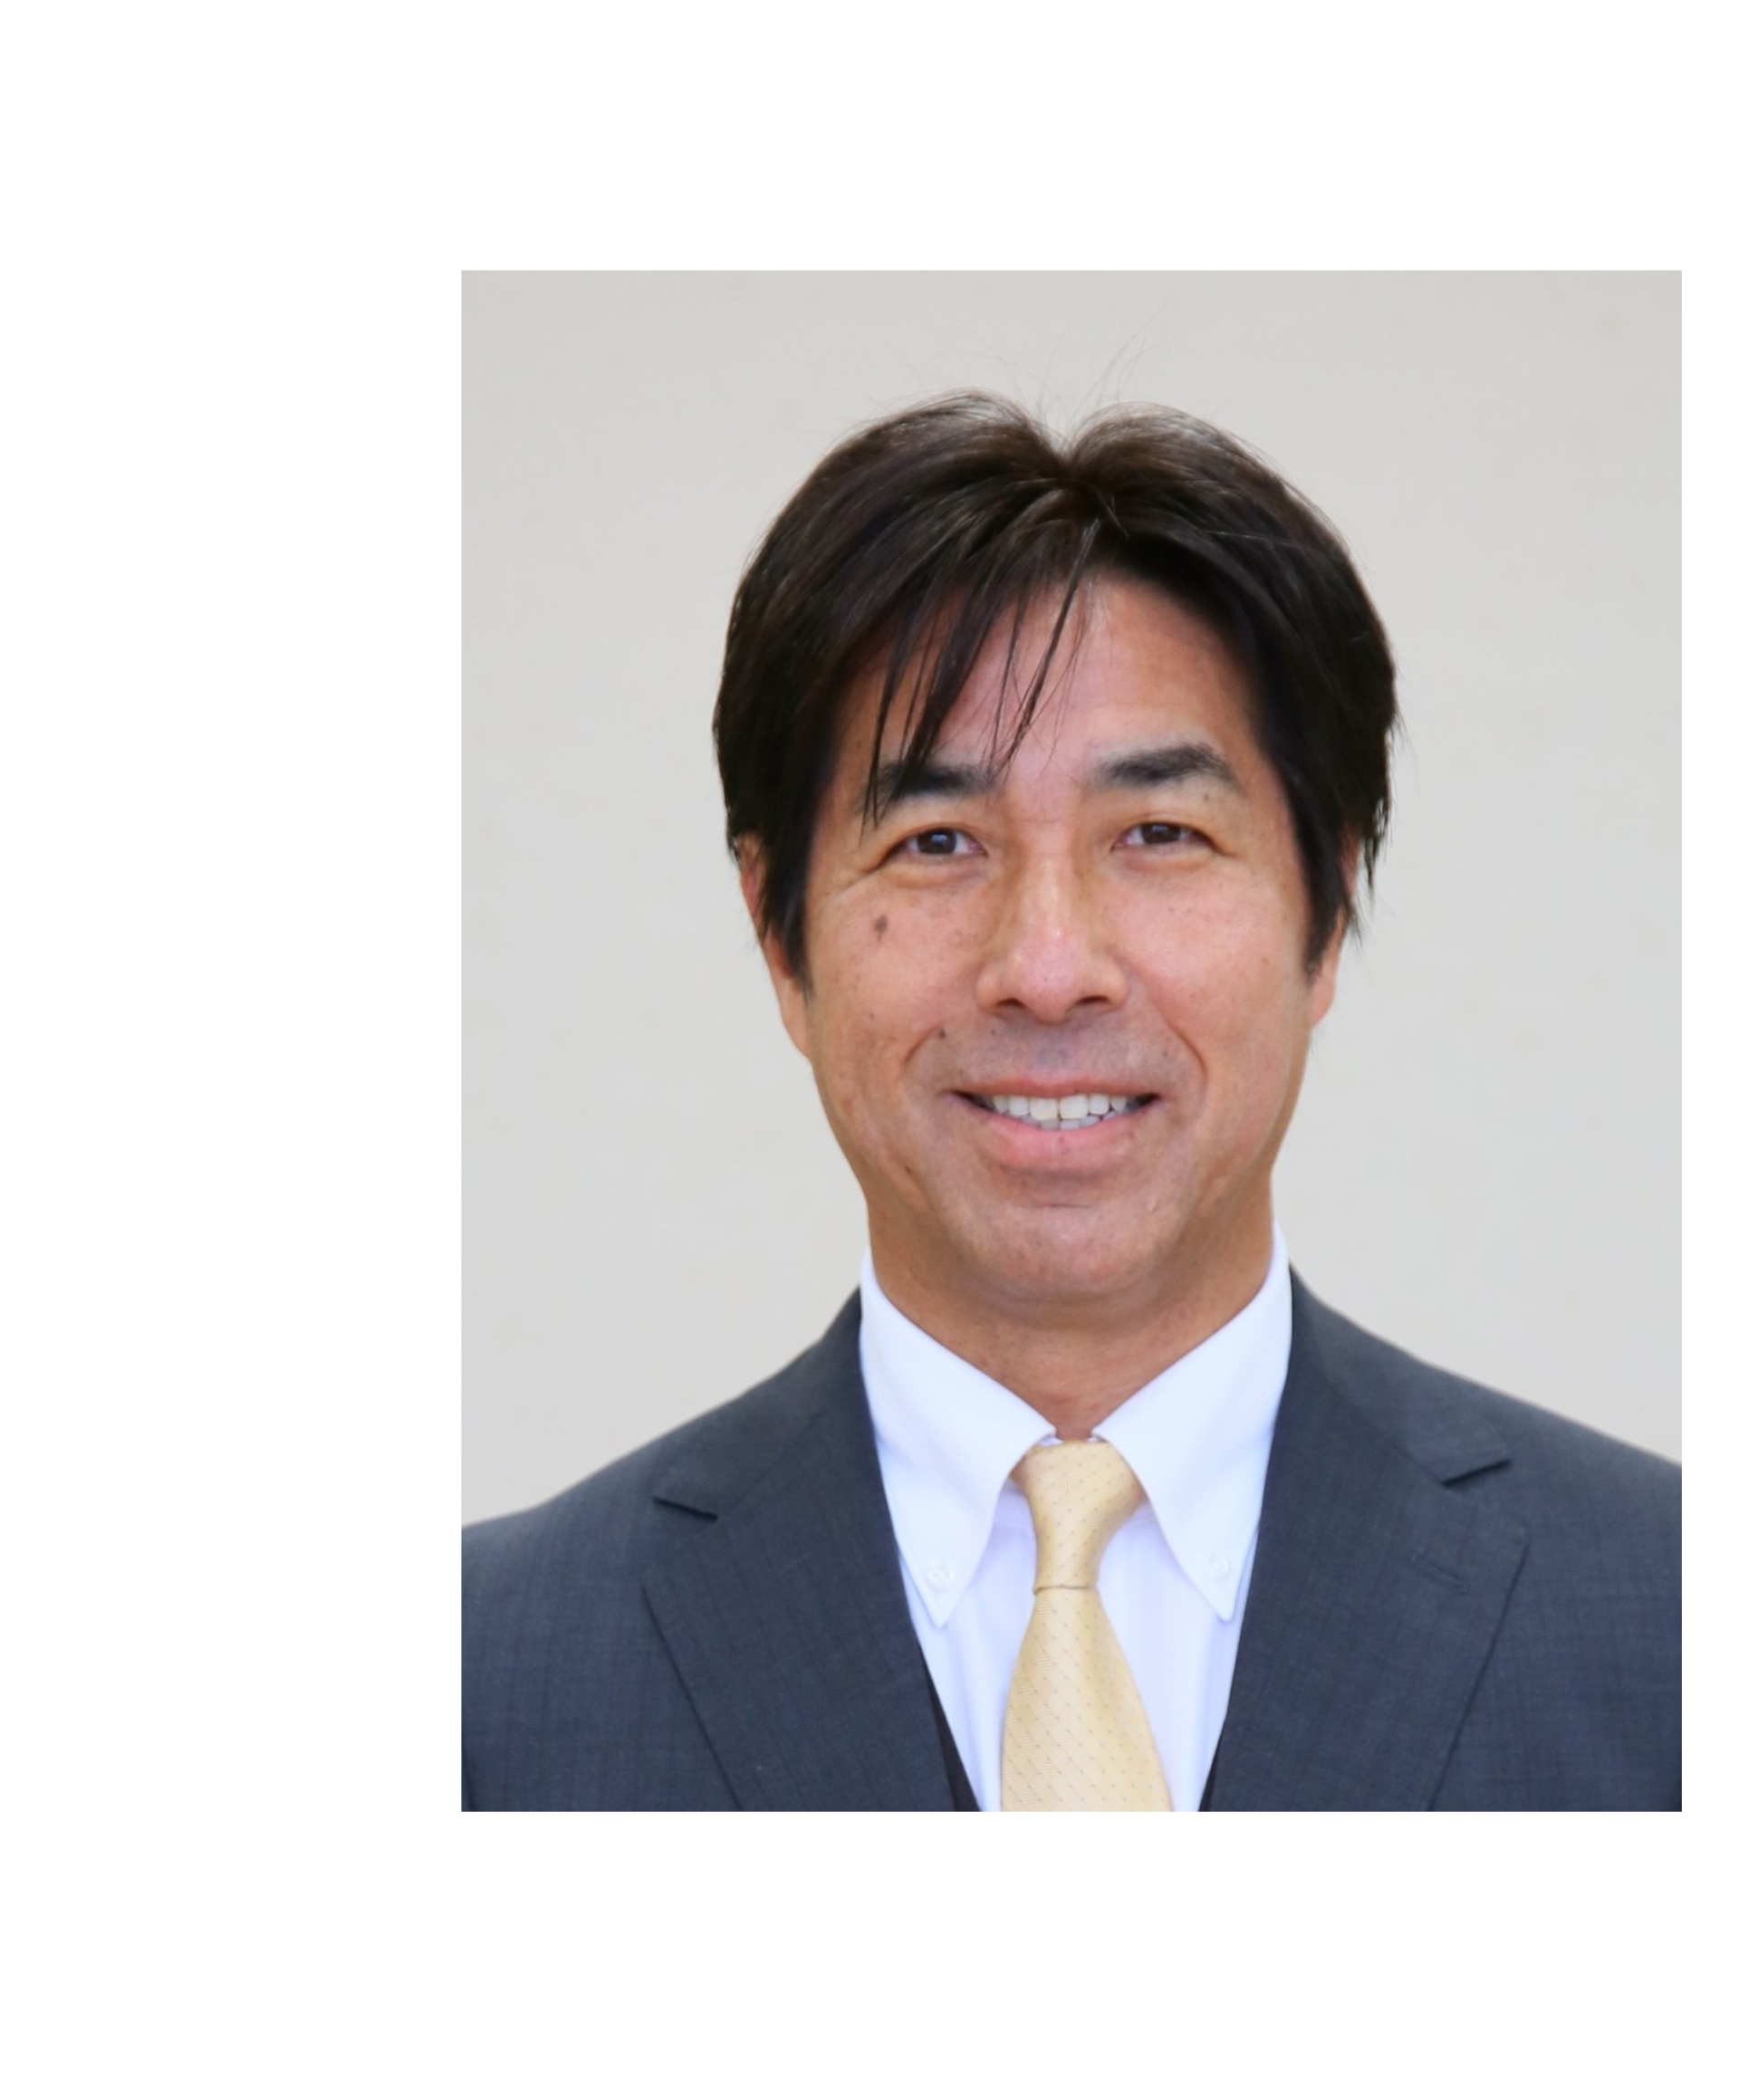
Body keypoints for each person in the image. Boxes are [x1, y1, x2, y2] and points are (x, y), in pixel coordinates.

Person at [462, 394, 1680, 1811]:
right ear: (779, 937)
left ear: (1328, 909)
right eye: (937, 841)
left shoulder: (1667, 1615)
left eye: (1158, 832)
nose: (1047, 967)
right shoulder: (485, 1679)